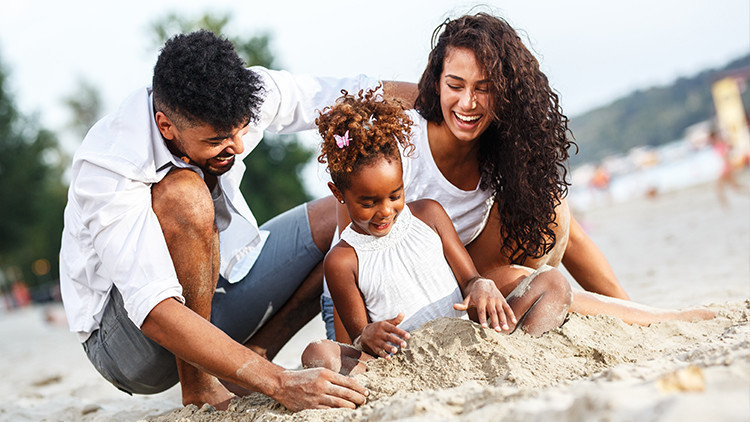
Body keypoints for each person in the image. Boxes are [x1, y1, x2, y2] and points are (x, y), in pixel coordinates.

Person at [59, 30, 415, 411]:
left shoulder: (245, 92)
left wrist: (443, 96)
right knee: (186, 196)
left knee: (340, 211)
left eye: (241, 128)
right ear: (166, 127)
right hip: (127, 345)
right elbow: (154, 310)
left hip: (210, 298)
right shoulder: (110, 164)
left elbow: (352, 95)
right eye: (217, 140)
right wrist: (280, 383)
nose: (239, 147)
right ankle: (199, 386)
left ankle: (244, 361)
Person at [322, 13, 714, 343]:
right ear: (436, 82)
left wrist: (636, 311)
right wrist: (353, 342)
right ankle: (654, 318)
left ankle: (645, 319)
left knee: (550, 208)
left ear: (506, 91)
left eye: (484, 89)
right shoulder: (392, 151)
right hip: (371, 305)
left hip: (449, 282)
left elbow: (571, 236)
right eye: (455, 85)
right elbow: (351, 251)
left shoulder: (500, 145)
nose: (467, 103)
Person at [303, 89, 572, 374]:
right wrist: (367, 334)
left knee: (553, 283)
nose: (384, 211)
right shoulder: (341, 260)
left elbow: (469, 279)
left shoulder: (429, 214)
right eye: (368, 203)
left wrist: (481, 286)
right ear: (339, 193)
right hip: (402, 363)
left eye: (395, 195)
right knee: (317, 352)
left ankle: (521, 355)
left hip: (464, 341)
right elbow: (358, 336)